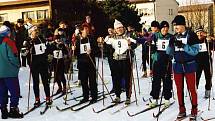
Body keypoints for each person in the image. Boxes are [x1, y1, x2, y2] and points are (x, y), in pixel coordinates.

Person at [167, 15, 199, 121]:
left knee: (192, 89)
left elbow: (195, 51)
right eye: (174, 26)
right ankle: (182, 110)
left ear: (183, 25)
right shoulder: (174, 37)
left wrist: (184, 46)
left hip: (189, 65)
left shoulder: (192, 35)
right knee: (179, 89)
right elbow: (169, 53)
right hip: (177, 66)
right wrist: (170, 45)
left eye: (177, 26)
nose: (175, 28)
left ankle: (194, 111)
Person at [103, 19, 137, 105]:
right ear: (115, 29)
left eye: (121, 27)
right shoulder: (112, 38)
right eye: (118, 28)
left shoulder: (128, 36)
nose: (119, 29)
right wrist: (101, 43)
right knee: (116, 78)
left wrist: (131, 45)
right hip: (116, 60)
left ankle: (128, 97)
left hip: (126, 59)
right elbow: (106, 45)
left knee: (127, 78)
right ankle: (117, 96)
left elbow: (135, 43)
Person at [0, 25, 23, 119]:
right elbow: (13, 56)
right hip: (9, 72)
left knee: (2, 92)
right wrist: (17, 65)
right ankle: (13, 109)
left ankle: (3, 111)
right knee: (14, 92)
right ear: (7, 32)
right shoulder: (9, 41)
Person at [148, 21, 173, 108]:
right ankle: (155, 99)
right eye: (163, 28)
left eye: (167, 28)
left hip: (167, 62)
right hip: (157, 61)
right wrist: (152, 50)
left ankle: (167, 99)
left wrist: (170, 56)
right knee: (156, 81)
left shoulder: (171, 37)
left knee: (167, 81)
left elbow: (173, 48)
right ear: (160, 28)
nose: (165, 29)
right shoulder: (155, 36)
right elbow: (151, 45)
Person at [74, 24, 100, 104]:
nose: (87, 30)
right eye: (85, 29)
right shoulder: (78, 40)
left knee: (92, 80)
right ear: (81, 31)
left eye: (88, 29)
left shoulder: (91, 39)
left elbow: (97, 51)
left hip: (90, 62)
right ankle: (85, 96)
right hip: (82, 64)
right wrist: (74, 50)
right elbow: (76, 54)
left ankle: (94, 96)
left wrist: (91, 50)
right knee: (84, 81)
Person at [27, 27, 52, 107]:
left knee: (45, 81)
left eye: (36, 31)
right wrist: (28, 51)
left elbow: (46, 49)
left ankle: (48, 98)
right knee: (36, 83)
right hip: (34, 64)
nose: (36, 32)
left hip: (43, 63)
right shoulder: (28, 41)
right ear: (30, 32)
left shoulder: (41, 39)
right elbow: (24, 52)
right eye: (34, 31)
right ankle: (37, 99)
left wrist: (48, 55)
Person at [195, 27, 213, 98]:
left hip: (207, 61)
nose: (199, 34)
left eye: (201, 33)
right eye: (198, 33)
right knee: (196, 77)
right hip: (198, 61)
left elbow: (213, 46)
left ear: (204, 33)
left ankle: (208, 90)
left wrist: (211, 41)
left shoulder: (207, 40)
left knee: (208, 77)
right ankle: (194, 91)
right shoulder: (194, 41)